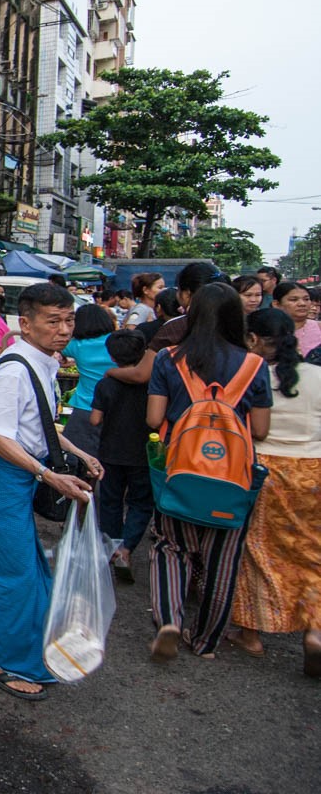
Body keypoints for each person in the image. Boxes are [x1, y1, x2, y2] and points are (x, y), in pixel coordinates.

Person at [0, 282, 101, 700]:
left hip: (17, 470)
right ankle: (1, 661)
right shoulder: (14, 370)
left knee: (29, 566)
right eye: (52, 321)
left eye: (69, 320)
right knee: (7, 571)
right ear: (26, 323)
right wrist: (49, 475)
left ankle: (27, 649)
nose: (63, 329)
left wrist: (77, 454)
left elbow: (38, 424)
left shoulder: (45, 362)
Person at [145, 282, 271, 662]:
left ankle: (169, 619)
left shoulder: (169, 358)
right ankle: (206, 642)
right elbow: (261, 430)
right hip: (233, 477)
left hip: (178, 469)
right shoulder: (254, 365)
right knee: (224, 559)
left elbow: (153, 418)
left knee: (171, 547)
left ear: (192, 313)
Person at [228, 308, 321, 675]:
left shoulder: (250, 377)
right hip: (313, 471)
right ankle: (315, 630)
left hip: (264, 470)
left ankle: (251, 634)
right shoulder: (317, 376)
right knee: (313, 553)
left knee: (256, 552)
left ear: (253, 339)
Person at [89, 329, 154, 583]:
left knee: (110, 501)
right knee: (140, 503)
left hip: (111, 453)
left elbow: (95, 419)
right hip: (142, 453)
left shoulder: (106, 383)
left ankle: (111, 548)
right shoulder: (152, 383)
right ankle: (126, 548)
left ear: (112, 356)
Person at [58, 304, 117, 459]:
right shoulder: (116, 341)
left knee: (78, 457)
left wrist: (63, 358)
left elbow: (55, 348)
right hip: (116, 406)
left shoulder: (78, 346)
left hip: (86, 407)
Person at [270, 281, 321, 357]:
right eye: (294, 300)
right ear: (276, 304)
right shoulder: (268, 330)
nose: (302, 304)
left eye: (306, 299)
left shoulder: (319, 327)